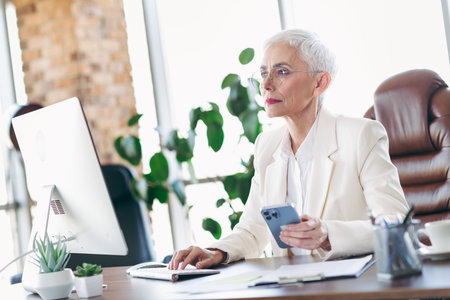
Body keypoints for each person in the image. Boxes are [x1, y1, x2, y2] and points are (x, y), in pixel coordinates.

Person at [168, 29, 409, 270]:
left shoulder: (360, 135)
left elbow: (396, 223)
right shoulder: (266, 145)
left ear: (319, 82)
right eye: (263, 73)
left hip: (352, 286)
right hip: (290, 287)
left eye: (281, 72)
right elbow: (253, 229)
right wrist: (217, 251)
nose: (266, 84)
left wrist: (328, 234)